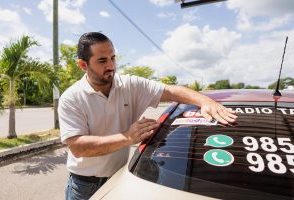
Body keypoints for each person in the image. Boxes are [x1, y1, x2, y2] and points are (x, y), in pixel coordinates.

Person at [58, 32, 237, 200]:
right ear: (83, 65)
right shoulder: (71, 98)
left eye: (113, 58)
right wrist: (128, 137)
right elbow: (78, 147)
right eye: (102, 61)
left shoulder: (129, 85)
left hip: (120, 178)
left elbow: (170, 91)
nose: (111, 66)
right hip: (84, 187)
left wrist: (206, 101)